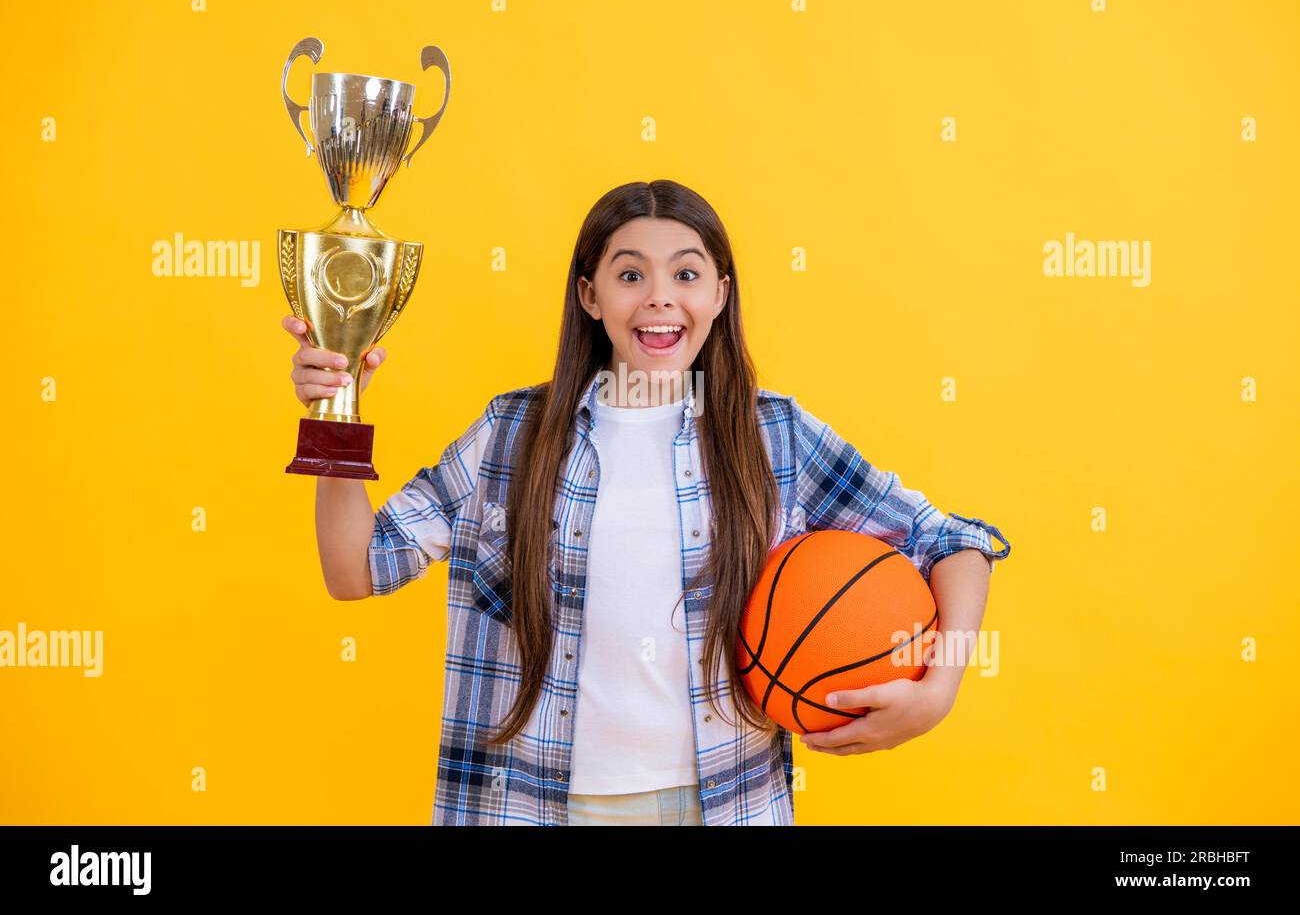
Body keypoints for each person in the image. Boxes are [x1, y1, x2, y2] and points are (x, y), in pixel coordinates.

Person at [282, 179, 1012, 826]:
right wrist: (332, 414)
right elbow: (355, 569)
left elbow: (955, 541)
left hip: (721, 803)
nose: (660, 296)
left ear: (719, 294)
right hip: (523, 804)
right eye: (630, 274)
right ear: (590, 296)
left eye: (686, 273)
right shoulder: (511, 435)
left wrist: (939, 687)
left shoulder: (774, 437)